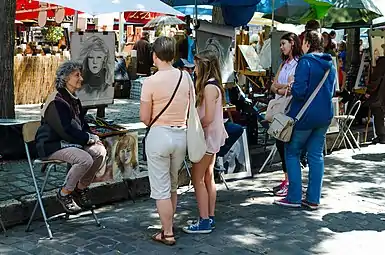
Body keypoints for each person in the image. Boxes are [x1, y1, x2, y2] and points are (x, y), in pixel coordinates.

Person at [274, 31, 336, 209]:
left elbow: (299, 92)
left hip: (304, 115)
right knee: (316, 156)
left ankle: (294, 197)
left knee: (292, 151)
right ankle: (313, 199)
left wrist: (293, 86)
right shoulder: (329, 63)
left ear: (307, 43)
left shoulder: (305, 62)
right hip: (324, 116)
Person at [35, 61, 107, 214]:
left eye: (80, 75)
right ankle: (64, 193)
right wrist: (87, 139)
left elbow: (81, 124)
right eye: (77, 75)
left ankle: (79, 189)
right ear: (65, 78)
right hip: (52, 144)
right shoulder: (56, 100)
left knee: (100, 151)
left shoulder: (74, 98)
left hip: (71, 142)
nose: (81, 78)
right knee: (85, 159)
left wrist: (93, 136)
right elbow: (65, 130)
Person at [140, 36, 190, 246]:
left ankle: (168, 232)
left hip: (159, 135)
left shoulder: (150, 82)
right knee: (172, 186)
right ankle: (166, 225)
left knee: (161, 189)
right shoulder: (185, 77)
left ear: (154, 56)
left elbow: (144, 118)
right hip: (181, 135)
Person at [183, 50, 228, 234]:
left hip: (207, 136)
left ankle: (204, 220)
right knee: (208, 176)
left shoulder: (209, 87)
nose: (195, 68)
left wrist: (194, 127)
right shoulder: (214, 85)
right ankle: (209, 216)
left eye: (197, 64)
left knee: (198, 178)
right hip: (213, 136)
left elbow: (207, 117)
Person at [269, 32, 303, 197]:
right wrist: (281, 87)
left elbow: (292, 88)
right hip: (279, 108)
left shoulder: (298, 64)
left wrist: (281, 87)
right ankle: (287, 179)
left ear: (292, 43)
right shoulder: (284, 64)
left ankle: (291, 182)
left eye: (284, 44)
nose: (281, 47)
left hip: (290, 109)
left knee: (286, 145)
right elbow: (274, 86)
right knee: (279, 143)